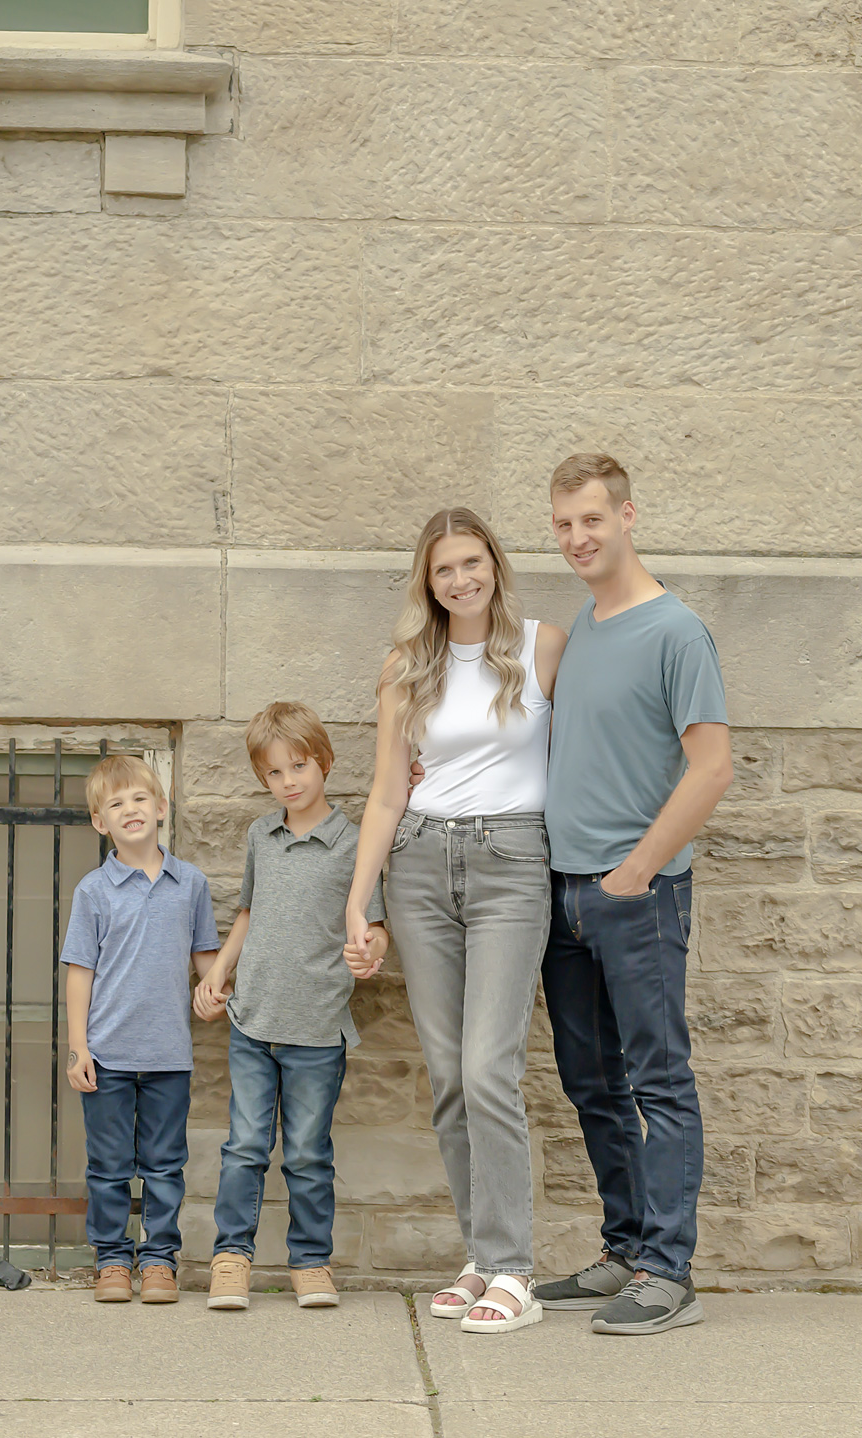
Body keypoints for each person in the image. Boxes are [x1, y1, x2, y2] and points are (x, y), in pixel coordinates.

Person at [345, 508, 567, 1334]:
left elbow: (586, 750)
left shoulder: (544, 647)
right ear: (427, 581)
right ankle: (482, 1255)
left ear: (495, 566)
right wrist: (360, 899)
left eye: (472, 563)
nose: (461, 579)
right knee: (447, 1076)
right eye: (444, 569)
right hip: (420, 867)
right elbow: (385, 791)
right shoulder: (407, 666)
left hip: (512, 865)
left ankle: (515, 1269)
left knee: (487, 1068)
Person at [530, 454, 732, 1336]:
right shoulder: (587, 619)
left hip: (636, 897)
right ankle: (624, 1252)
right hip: (564, 896)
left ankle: (669, 1271)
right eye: (564, 525)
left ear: (628, 517)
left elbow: (712, 767)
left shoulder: (676, 630)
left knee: (657, 1081)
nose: (579, 538)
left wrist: (638, 870)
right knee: (592, 1083)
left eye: (592, 521)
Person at [192, 702, 388, 1313]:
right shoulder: (261, 835)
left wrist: (370, 951)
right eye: (274, 774)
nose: (289, 782)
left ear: (324, 761)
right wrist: (218, 973)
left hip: (317, 1028)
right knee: (245, 1147)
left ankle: (310, 1262)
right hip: (254, 1021)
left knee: (307, 1152)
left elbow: (374, 925)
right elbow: (248, 912)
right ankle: (232, 1259)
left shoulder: (355, 842)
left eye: (299, 767)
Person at [62, 754, 221, 1304]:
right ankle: (111, 1261)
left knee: (164, 1165)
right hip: (107, 1054)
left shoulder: (190, 883)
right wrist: (78, 1047)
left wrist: (216, 990)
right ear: (100, 822)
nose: (130, 810)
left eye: (139, 799)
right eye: (115, 803)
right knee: (107, 1166)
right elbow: (79, 973)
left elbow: (206, 957)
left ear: (160, 807)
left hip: (168, 1056)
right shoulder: (94, 891)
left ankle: (158, 1261)